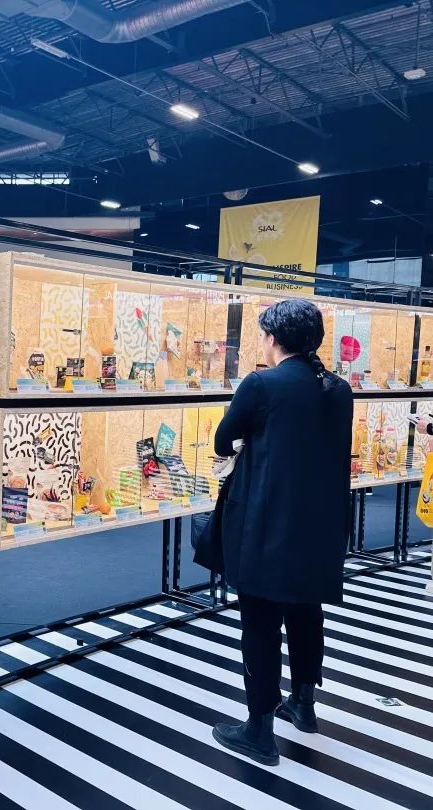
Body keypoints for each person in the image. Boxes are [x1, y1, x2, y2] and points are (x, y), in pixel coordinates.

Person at [210, 299, 353, 767]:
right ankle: (304, 704)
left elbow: (223, 440)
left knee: (260, 622)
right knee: (307, 611)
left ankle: (259, 730)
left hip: (268, 523)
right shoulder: (338, 389)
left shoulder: (261, 384)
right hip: (321, 525)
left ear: (273, 338)